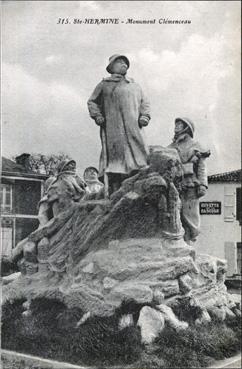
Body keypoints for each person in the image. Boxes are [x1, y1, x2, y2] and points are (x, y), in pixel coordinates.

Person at [87, 54, 151, 194]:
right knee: (116, 161)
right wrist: (97, 115)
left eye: (125, 63)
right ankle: (116, 190)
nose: (124, 65)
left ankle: (138, 185)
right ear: (111, 67)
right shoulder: (104, 85)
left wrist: (145, 116)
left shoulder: (134, 85)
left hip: (134, 127)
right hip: (113, 129)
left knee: (140, 157)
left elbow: (145, 102)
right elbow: (92, 102)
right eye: (120, 62)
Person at [168, 117, 210, 243]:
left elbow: (202, 167)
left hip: (191, 184)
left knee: (190, 214)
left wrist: (203, 184)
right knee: (176, 213)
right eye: (176, 124)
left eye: (180, 124)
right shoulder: (171, 146)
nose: (176, 126)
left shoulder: (196, 146)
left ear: (186, 127)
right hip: (175, 184)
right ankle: (179, 242)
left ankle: (189, 240)